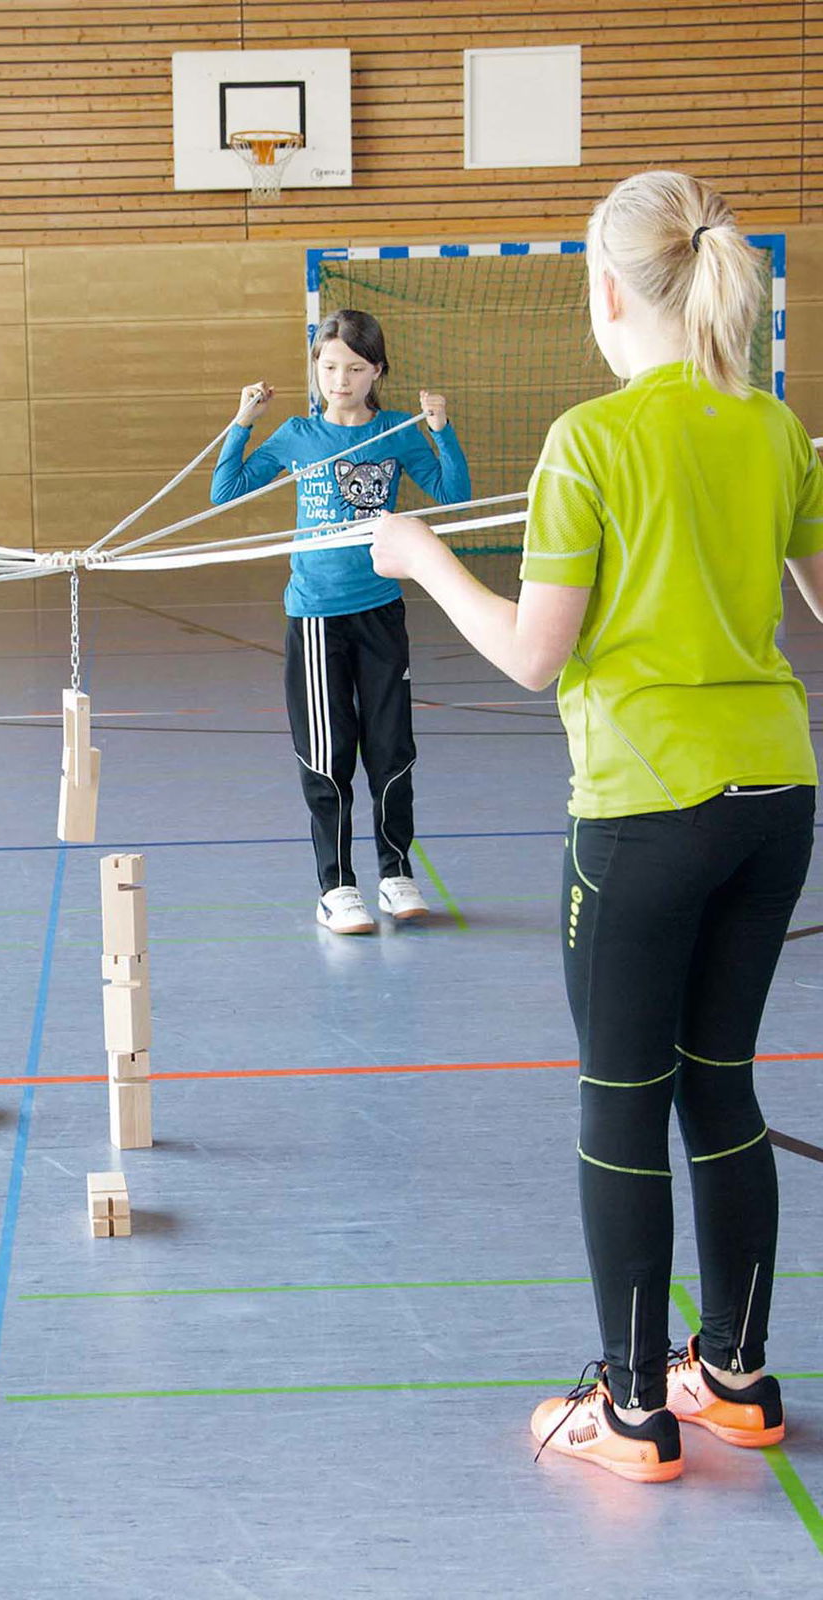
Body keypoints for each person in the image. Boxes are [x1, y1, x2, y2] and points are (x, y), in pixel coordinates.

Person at [370, 171, 823, 1483]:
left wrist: (419, 558)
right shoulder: (772, 427)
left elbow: (530, 654)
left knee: (623, 1103)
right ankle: (733, 1379)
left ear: (609, 291)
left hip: (646, 814)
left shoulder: (592, 439)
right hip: (774, 801)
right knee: (720, 1085)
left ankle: (632, 1413)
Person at [212, 310, 471, 934]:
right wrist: (243, 423)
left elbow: (455, 494)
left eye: (355, 368)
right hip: (316, 618)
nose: (340, 379)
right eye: (329, 367)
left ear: (377, 370)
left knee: (391, 750)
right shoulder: (298, 435)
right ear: (315, 368)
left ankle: (395, 873)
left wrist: (441, 430)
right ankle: (335, 887)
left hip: (380, 612)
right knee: (329, 756)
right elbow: (226, 491)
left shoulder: (397, 432)